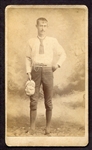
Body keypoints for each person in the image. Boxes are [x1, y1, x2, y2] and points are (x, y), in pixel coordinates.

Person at [26, 17, 66, 135]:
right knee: (33, 100)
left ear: (47, 27)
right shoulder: (31, 41)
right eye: (40, 25)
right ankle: (32, 128)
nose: (42, 28)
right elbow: (27, 58)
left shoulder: (53, 41)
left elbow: (63, 54)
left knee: (48, 101)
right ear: (36, 26)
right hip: (35, 71)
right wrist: (29, 72)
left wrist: (57, 65)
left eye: (44, 26)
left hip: (48, 71)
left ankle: (47, 128)